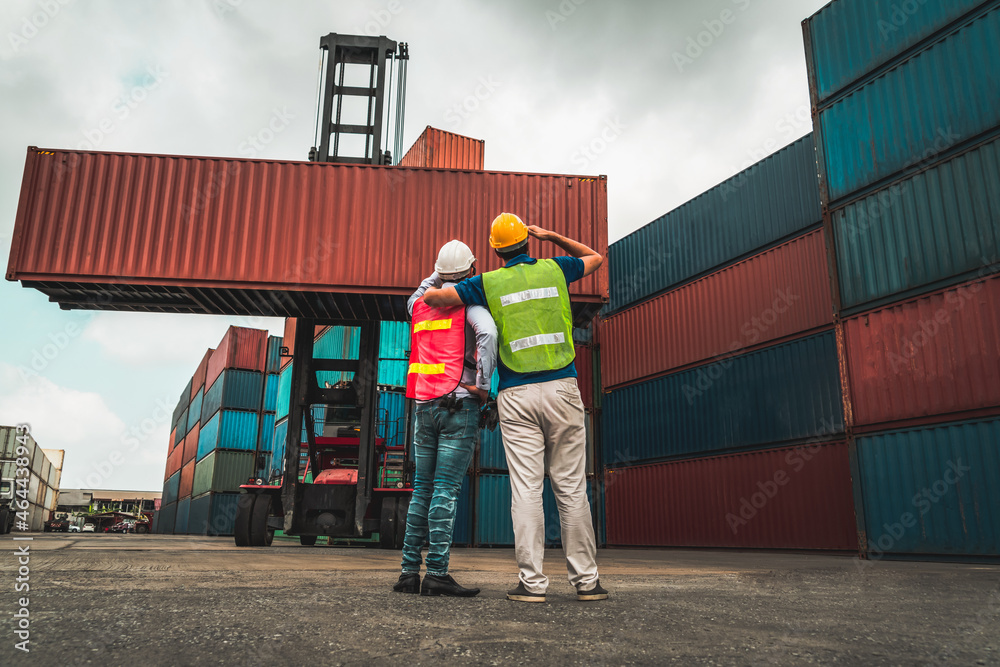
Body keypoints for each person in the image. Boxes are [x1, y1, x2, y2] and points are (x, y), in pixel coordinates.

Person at [423, 213, 607, 603]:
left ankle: (532, 585)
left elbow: (432, 299)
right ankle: (587, 583)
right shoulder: (556, 268)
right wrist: (553, 235)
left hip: (516, 395)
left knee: (526, 488)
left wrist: (440, 277)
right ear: (528, 241)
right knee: (572, 488)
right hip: (563, 388)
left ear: (493, 250)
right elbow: (595, 258)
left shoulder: (487, 283)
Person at [393, 240, 497, 598]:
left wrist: (440, 272)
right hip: (459, 405)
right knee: (446, 489)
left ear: (439, 271)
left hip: (424, 405)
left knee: (422, 487)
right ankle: (436, 572)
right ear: (472, 270)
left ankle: (409, 572)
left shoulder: (418, 306)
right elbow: (488, 334)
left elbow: (422, 288)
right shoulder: (470, 307)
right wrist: (483, 386)